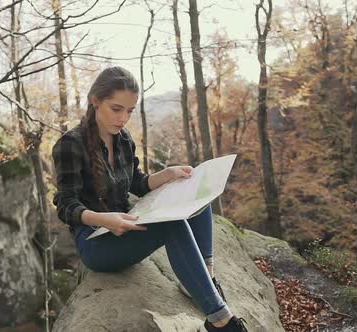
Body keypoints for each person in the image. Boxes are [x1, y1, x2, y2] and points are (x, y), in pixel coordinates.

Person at [51, 66, 248, 332]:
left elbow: (137, 183)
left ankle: (205, 277)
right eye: (116, 108)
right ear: (95, 101)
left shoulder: (122, 139)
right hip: (96, 241)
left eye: (130, 111)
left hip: (128, 224)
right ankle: (220, 320)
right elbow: (65, 205)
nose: (123, 118)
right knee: (172, 224)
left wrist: (167, 175)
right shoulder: (70, 144)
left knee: (197, 193)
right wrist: (102, 219)